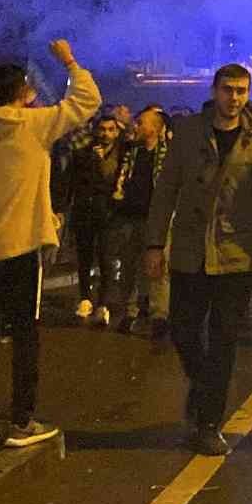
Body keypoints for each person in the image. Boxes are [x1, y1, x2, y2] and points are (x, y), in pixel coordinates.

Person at [0, 39, 100, 451]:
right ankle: (21, 420)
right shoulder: (36, 125)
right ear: (24, 93)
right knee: (25, 338)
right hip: (21, 249)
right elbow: (87, 99)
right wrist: (69, 59)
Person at [144, 64, 252, 457]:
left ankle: (209, 424)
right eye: (227, 90)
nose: (233, 98)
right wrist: (154, 244)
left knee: (223, 342)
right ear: (214, 90)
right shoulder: (188, 132)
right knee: (183, 330)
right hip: (189, 252)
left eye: (241, 91)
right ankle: (204, 390)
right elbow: (166, 190)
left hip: (236, 256)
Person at [106, 106, 169, 334]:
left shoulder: (167, 155)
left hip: (156, 220)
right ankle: (129, 312)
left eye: (142, 123)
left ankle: (159, 315)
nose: (137, 126)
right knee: (129, 268)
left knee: (157, 270)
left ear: (155, 128)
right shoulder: (131, 152)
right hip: (130, 217)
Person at [63, 114, 123, 325]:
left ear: (116, 132)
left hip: (110, 213)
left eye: (110, 129)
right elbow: (72, 182)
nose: (106, 134)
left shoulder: (124, 155)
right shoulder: (82, 154)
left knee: (107, 258)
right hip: (86, 212)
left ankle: (104, 302)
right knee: (85, 257)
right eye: (102, 129)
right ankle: (85, 297)